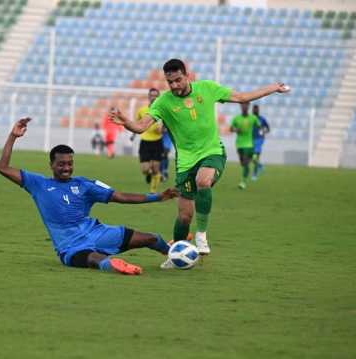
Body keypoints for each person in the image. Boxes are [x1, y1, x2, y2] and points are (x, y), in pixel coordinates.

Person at [110, 59, 289, 268]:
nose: (175, 86)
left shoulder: (207, 88)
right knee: (184, 216)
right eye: (170, 82)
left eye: (178, 80)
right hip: (185, 162)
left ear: (187, 75)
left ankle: (202, 234)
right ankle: (175, 252)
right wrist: (127, 122)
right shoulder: (164, 102)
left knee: (203, 181)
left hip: (212, 152)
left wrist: (273, 88)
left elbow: (241, 97)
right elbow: (141, 127)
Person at [0, 117, 178, 275]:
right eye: (61, 164)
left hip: (98, 233)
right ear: (51, 164)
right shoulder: (38, 184)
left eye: (69, 164)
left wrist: (158, 197)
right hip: (71, 247)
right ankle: (115, 266)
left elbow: (120, 196)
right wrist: (13, 136)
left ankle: (174, 252)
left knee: (151, 238)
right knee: (94, 259)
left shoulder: (84, 185)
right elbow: (2, 168)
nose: (66, 168)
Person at [135, 88, 163, 193]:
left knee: (156, 169)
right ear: (148, 97)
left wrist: (161, 128)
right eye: (152, 95)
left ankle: (152, 192)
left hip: (157, 142)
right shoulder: (142, 110)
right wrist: (133, 135)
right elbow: (137, 124)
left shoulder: (163, 111)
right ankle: (149, 174)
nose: (153, 97)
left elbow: (163, 128)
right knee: (145, 169)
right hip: (145, 142)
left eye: (156, 95)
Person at [230, 102, 261, 190]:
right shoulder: (237, 118)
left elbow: (259, 127)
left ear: (248, 106)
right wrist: (236, 129)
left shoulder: (253, 118)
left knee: (246, 163)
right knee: (243, 163)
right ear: (240, 106)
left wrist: (260, 134)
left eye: (246, 105)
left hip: (249, 144)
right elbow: (231, 128)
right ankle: (255, 159)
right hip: (239, 144)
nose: (244, 106)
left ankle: (243, 182)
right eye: (243, 104)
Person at [251, 104, 271, 181]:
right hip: (250, 140)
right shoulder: (250, 118)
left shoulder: (262, 119)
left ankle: (255, 174)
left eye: (256, 109)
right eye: (254, 109)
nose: (255, 111)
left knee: (256, 156)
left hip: (259, 139)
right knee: (251, 157)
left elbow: (268, 128)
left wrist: (263, 131)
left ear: (258, 110)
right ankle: (260, 166)